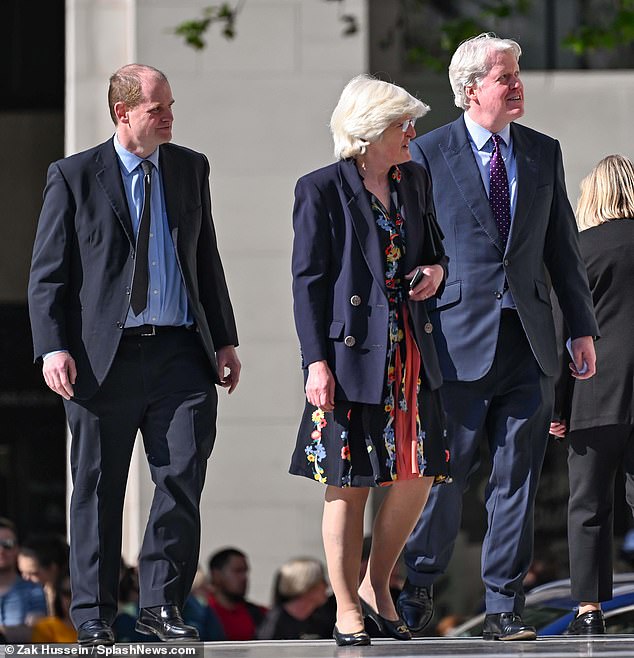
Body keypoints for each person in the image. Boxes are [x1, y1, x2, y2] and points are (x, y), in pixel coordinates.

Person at [28, 63, 241, 646]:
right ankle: (93, 613)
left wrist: (224, 338)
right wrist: (52, 348)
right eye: (157, 109)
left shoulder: (189, 168)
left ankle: (160, 607)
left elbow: (206, 260)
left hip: (181, 353)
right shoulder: (73, 177)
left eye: (171, 106)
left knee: (181, 479)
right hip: (103, 360)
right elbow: (48, 277)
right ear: (123, 114)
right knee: (99, 486)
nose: (170, 118)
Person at [396, 33, 599, 641]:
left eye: (517, 75)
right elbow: (412, 241)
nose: (517, 86)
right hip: (456, 341)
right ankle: (419, 586)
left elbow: (562, 247)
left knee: (519, 477)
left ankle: (503, 605)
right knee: (448, 473)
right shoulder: (428, 153)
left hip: (530, 340)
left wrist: (581, 327)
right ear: (470, 89)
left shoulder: (543, 152)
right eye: (505, 77)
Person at [290, 74, 450, 647]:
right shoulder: (320, 188)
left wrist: (436, 271)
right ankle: (345, 605)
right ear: (369, 131)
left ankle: (377, 583)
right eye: (402, 124)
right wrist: (315, 363)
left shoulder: (415, 179)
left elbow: (434, 252)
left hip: (411, 349)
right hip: (348, 356)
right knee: (348, 480)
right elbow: (307, 284)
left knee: (418, 471)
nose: (412, 133)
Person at [550, 154, 634, 635]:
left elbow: (565, 330)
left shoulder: (579, 250)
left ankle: (588, 611)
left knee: (588, 505)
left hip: (594, 394)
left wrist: (558, 407)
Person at [257, 558, 332, 640]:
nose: (327, 585)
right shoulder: (274, 624)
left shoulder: (324, 616)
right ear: (306, 585)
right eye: (321, 581)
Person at [0, 518, 47, 642]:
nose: (1, 550)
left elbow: (37, 633)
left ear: (17, 549)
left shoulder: (34, 589)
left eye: (8, 544)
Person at [206, 548, 266, 641]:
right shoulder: (200, 612)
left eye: (245, 572)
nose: (244, 578)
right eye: (237, 571)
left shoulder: (259, 614)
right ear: (216, 575)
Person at [18, 535, 69, 616]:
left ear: (52, 568)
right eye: (22, 572)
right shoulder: (48, 588)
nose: (26, 578)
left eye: (33, 573)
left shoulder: (69, 592)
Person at [31, 575, 77, 643]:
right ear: (58, 595)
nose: (72, 598)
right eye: (67, 593)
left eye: (77, 593)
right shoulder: (45, 628)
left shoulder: (94, 627)